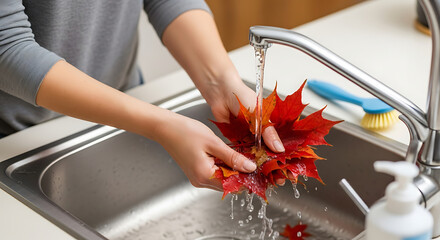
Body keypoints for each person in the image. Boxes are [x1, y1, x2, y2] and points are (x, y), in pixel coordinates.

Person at [0, 0, 285, 190]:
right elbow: (7, 46)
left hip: (123, 104)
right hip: (16, 140)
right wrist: (162, 125)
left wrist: (221, 82)